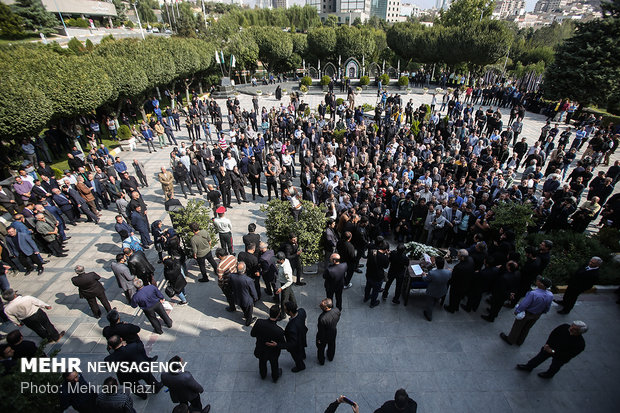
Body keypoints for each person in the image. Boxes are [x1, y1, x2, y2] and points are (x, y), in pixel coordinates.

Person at [516, 321, 587, 378]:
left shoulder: (580, 344)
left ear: (580, 332)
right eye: (572, 326)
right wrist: (547, 344)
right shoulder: (564, 327)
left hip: (560, 357)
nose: (571, 328)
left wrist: (553, 351)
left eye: (574, 329)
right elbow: (553, 334)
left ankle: (549, 374)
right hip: (549, 348)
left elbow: (568, 355)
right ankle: (529, 366)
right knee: (538, 358)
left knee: (555, 366)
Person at [500, 276, 553, 346]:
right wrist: (544, 312)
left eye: (539, 281)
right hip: (537, 314)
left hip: (527, 313)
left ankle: (510, 340)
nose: (537, 281)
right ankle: (520, 341)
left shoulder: (533, 294)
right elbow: (548, 306)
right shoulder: (550, 295)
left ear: (541, 285)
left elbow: (524, 304)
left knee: (517, 327)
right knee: (527, 328)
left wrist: (518, 311)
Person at [250, 305, 286, 382]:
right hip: (273, 352)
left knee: (262, 362)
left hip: (261, 349)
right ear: (278, 315)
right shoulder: (279, 331)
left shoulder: (259, 322)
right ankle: (275, 377)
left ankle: (263, 375)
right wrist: (276, 345)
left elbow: (252, 334)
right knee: (274, 364)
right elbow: (283, 344)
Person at [229, 261, 258, 326]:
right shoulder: (248, 280)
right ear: (244, 270)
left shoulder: (232, 276)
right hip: (247, 299)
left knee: (243, 308)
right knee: (249, 311)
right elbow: (253, 291)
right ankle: (248, 321)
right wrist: (255, 298)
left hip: (238, 297)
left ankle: (245, 315)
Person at [422, 256, 451, 321]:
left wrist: (423, 275)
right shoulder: (448, 272)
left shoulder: (432, 273)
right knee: (436, 299)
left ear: (436, 264)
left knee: (429, 304)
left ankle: (429, 315)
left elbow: (426, 279)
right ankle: (436, 301)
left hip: (432, 292)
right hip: (442, 291)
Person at [364, 240, 390, 308]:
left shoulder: (372, 251)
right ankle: (373, 302)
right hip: (378, 276)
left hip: (369, 273)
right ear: (386, 249)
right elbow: (385, 266)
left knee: (368, 286)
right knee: (375, 290)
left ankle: (366, 297)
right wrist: (387, 255)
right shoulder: (385, 258)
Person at [284, 301, 308, 373]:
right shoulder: (301, 311)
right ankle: (303, 355)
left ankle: (300, 366)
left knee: (296, 355)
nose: (284, 310)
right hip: (302, 334)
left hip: (296, 343)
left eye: (285, 309)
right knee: (302, 347)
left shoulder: (291, 327)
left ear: (290, 312)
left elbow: (292, 342)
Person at [316, 297, 340, 365]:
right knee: (332, 345)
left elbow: (321, 331)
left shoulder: (322, 318)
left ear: (326, 308)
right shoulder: (336, 310)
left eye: (321, 306)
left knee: (321, 348)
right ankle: (330, 356)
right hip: (333, 332)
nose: (320, 306)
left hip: (324, 336)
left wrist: (319, 339)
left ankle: (321, 360)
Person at [275, 251, 297, 320]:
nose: (277, 260)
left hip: (285, 284)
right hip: (285, 283)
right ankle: (295, 306)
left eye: (278, 259)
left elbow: (290, 281)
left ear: (281, 260)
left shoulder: (285, 270)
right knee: (291, 294)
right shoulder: (286, 260)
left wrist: (281, 288)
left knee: (284, 300)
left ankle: (283, 314)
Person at [216, 248, 238, 312]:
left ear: (219, 256)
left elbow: (220, 278)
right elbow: (236, 265)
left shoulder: (220, 266)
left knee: (229, 296)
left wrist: (221, 286)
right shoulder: (232, 257)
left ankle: (232, 307)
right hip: (235, 277)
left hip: (227, 283)